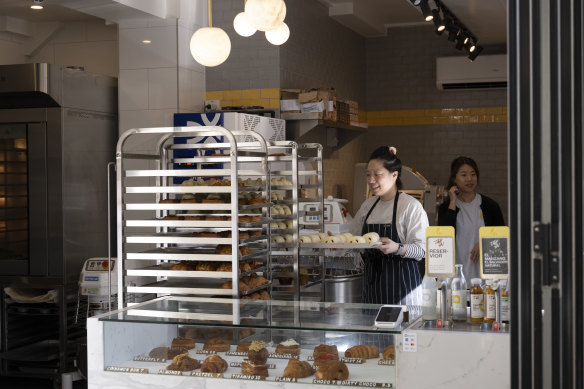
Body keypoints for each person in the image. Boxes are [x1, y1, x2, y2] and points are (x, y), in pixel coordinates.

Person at [351, 146, 429, 305]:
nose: (371, 180)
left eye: (377, 175)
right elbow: (354, 241)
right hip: (373, 291)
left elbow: (422, 250)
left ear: (394, 175)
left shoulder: (410, 206)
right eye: (368, 175)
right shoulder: (368, 206)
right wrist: (337, 243)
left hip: (404, 292)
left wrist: (398, 248)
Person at [437, 156, 505, 280]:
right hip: (456, 278)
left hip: (486, 278)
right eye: (463, 175)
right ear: (454, 178)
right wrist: (452, 201)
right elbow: (442, 238)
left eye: (473, 174)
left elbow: (502, 238)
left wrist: (485, 244)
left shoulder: (490, 206)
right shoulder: (446, 208)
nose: (469, 179)